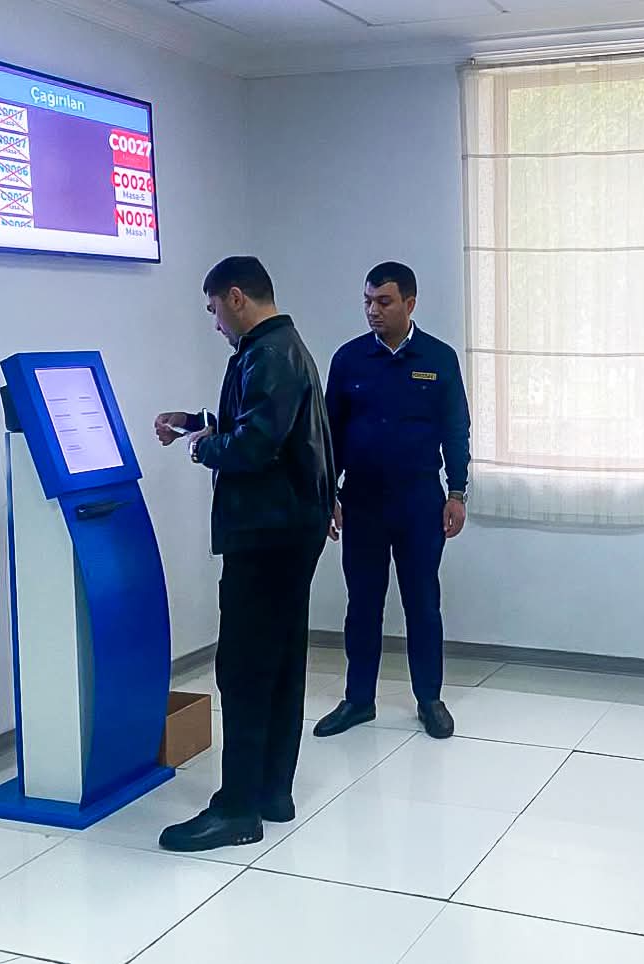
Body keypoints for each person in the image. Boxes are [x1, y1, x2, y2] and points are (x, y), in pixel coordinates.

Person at [153, 256, 335, 853]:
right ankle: (271, 792)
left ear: (236, 298)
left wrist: (202, 450)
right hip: (288, 528)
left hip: (267, 533)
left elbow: (254, 445)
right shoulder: (279, 349)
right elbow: (262, 422)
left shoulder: (270, 354)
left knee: (244, 667)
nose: (214, 323)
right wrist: (197, 422)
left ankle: (236, 809)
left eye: (214, 310)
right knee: (279, 663)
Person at [313, 261, 471, 741]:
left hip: (419, 500)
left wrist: (457, 490)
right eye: (367, 301)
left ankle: (430, 699)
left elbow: (456, 428)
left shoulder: (438, 358)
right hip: (362, 499)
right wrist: (327, 494)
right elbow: (330, 433)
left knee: (422, 602)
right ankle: (358, 699)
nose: (373, 311)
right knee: (363, 603)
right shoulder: (349, 359)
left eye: (383, 301)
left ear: (410, 303)